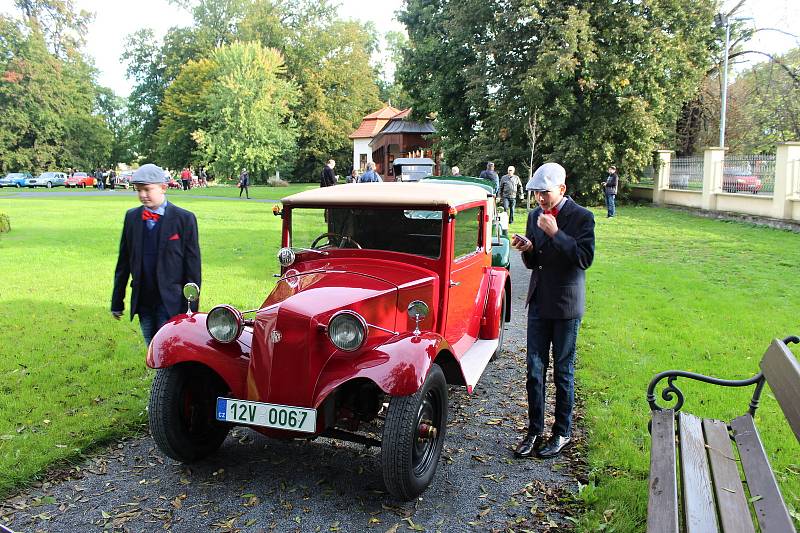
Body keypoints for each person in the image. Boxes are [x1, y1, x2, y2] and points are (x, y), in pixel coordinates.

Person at [511, 162, 595, 459]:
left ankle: (562, 432)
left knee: (562, 371)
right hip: (539, 302)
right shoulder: (534, 215)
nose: (540, 199)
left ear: (562, 189)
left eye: (544, 193)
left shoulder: (582, 217)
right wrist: (528, 249)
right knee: (534, 370)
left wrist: (557, 233)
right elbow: (536, 263)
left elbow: (584, 259)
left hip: (565, 305)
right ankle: (534, 431)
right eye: (535, 194)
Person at [111, 163, 201, 346]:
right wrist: (117, 302)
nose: (143, 195)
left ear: (163, 187)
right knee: (151, 346)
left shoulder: (184, 219)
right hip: (143, 299)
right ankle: (159, 373)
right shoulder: (132, 218)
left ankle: (168, 375)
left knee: (169, 347)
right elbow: (123, 263)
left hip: (171, 301)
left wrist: (191, 308)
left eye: (147, 189)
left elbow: (193, 266)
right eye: (138, 190)